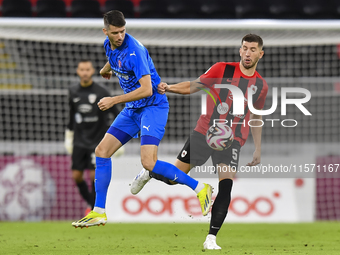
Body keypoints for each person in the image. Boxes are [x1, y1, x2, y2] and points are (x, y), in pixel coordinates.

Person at [71, 10, 213, 228]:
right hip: (133, 109)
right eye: (115, 32)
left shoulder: (134, 51)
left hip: (152, 107)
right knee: (102, 151)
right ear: (105, 31)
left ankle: (200, 189)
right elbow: (112, 57)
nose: (119, 36)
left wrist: (113, 100)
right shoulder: (108, 45)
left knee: (148, 162)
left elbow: (147, 90)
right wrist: (105, 69)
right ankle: (98, 211)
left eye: (122, 31)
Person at [131, 34, 268, 250]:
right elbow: (193, 86)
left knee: (226, 186)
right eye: (245, 48)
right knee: (174, 178)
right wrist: (169, 87)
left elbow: (256, 117)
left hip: (231, 141)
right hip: (204, 133)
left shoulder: (261, 85)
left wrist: (258, 148)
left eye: (253, 49)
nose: (248, 53)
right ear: (240, 50)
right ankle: (150, 172)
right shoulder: (221, 69)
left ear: (260, 54)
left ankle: (211, 238)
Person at [65, 59, 122, 214]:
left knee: (93, 175)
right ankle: (92, 206)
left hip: (97, 140)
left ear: (92, 71)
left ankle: (93, 209)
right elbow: (72, 115)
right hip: (79, 140)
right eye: (82, 69)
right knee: (76, 176)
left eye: (87, 69)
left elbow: (116, 114)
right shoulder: (73, 91)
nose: (84, 72)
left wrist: (118, 137)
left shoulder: (102, 92)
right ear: (78, 72)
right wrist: (68, 135)